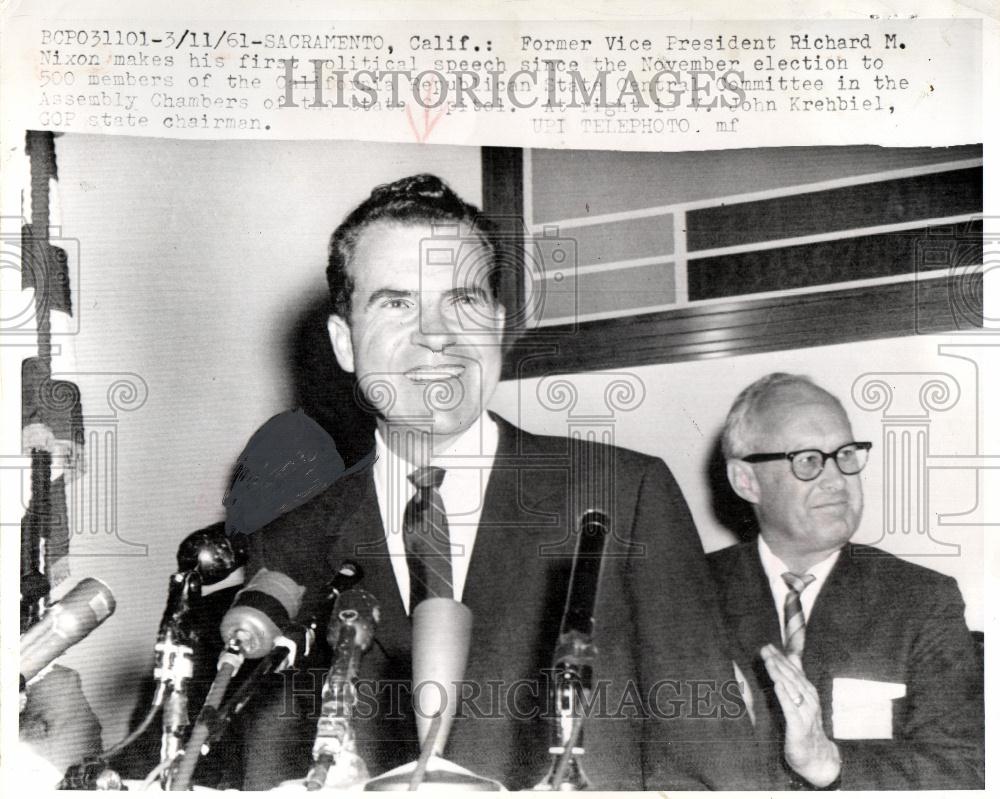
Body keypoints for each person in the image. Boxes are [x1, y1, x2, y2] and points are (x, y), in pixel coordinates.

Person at [239, 174, 754, 790]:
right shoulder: (292, 543)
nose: (437, 334)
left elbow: (714, 767)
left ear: (500, 327)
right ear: (345, 343)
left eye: (463, 300)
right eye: (397, 302)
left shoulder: (623, 495)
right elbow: (269, 775)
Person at [709, 372, 984, 790]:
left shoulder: (920, 600)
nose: (837, 479)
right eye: (807, 460)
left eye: (846, 454)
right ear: (746, 481)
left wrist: (829, 762)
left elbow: (966, 769)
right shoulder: (689, 594)